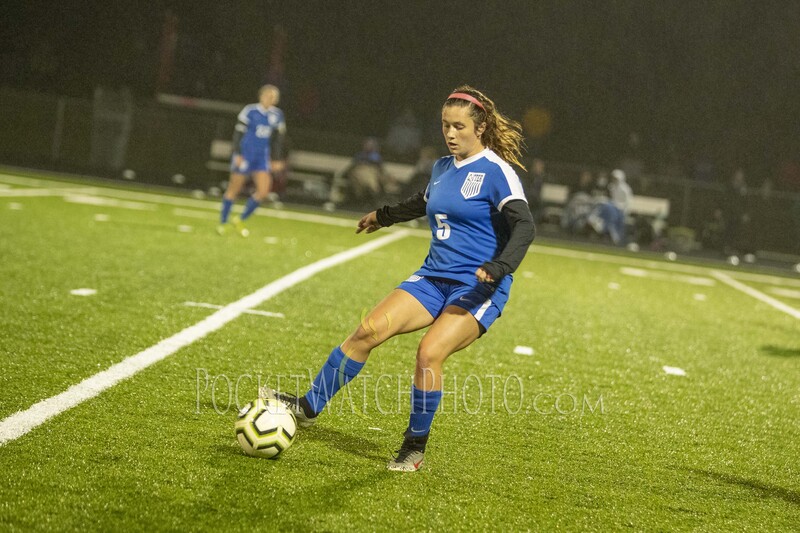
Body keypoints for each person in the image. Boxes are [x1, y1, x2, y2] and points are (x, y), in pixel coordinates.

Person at [262, 85, 535, 472]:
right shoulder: (442, 168)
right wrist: (382, 215)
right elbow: (421, 204)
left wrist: (499, 267)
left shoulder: (497, 172)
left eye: (459, 126)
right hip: (432, 278)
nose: (450, 133)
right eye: (445, 125)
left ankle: (414, 446)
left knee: (429, 353)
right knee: (367, 331)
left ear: (481, 126)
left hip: (478, 286)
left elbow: (525, 227)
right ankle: (308, 407)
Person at [217, 85, 286, 237]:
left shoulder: (277, 115)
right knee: (234, 189)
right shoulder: (250, 111)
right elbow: (238, 134)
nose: (270, 98)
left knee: (263, 191)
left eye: (273, 96)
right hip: (246, 155)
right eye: (267, 95)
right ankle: (223, 223)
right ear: (261, 96)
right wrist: (238, 154)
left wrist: (276, 159)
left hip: (261, 158)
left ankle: (239, 219)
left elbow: (278, 140)